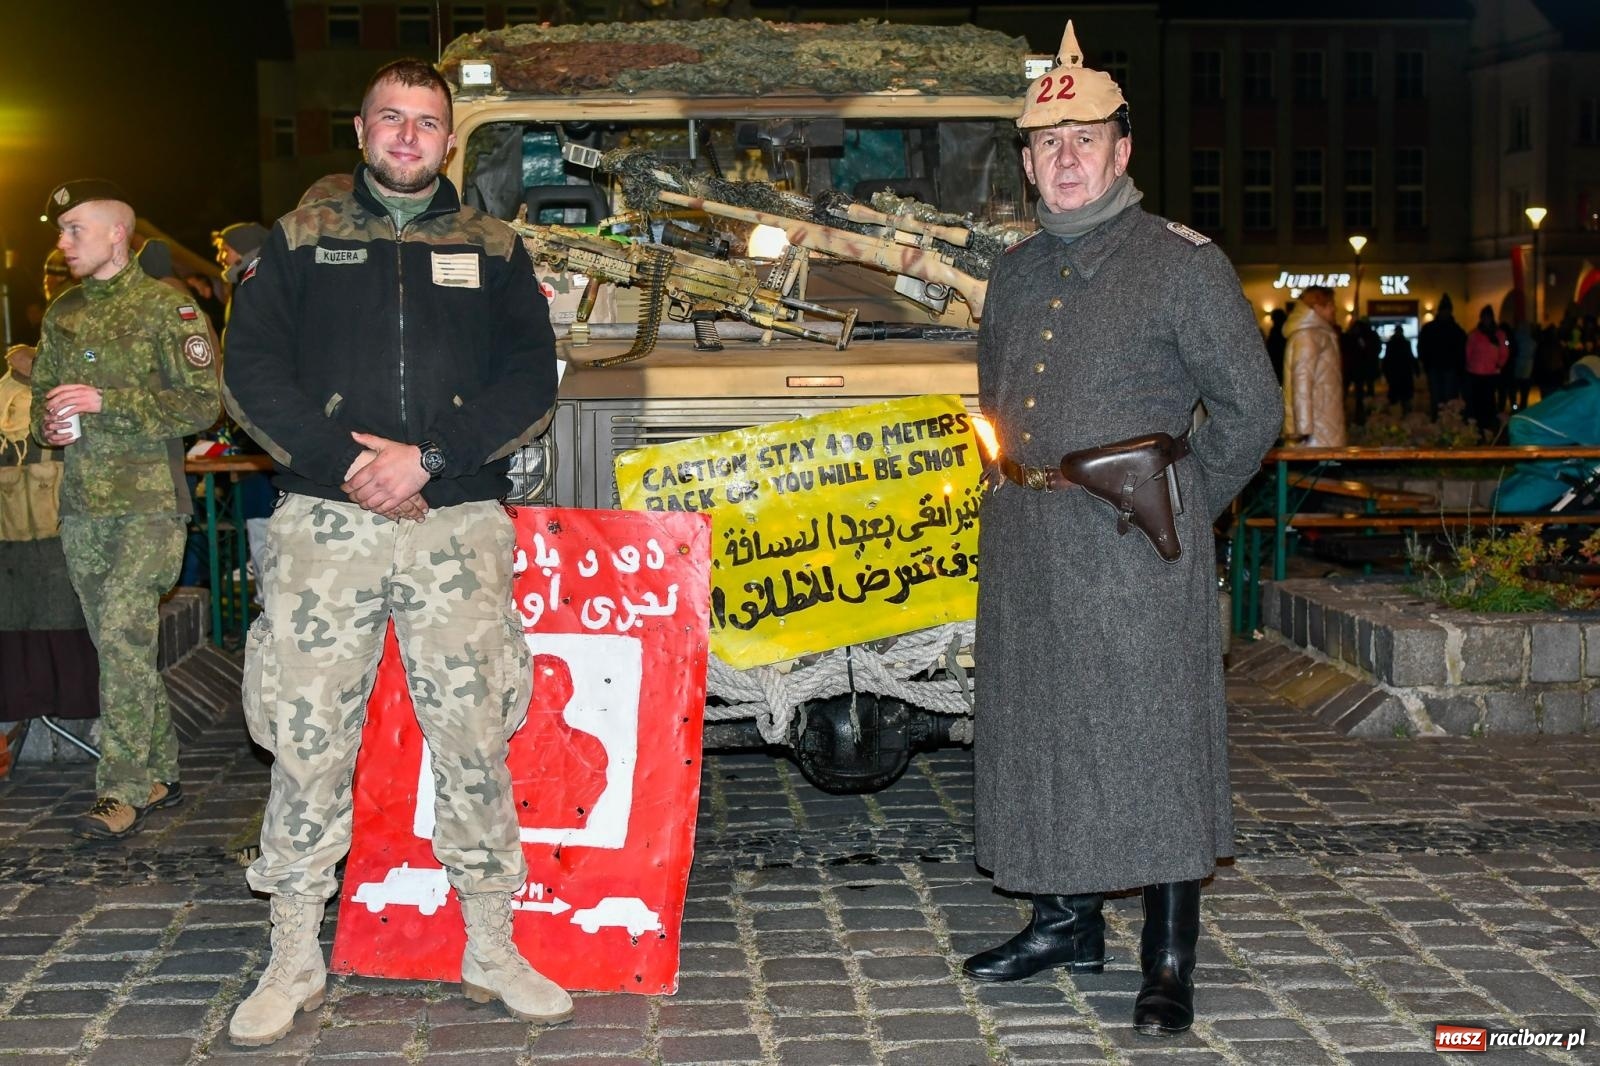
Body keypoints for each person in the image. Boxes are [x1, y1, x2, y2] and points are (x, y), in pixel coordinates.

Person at [221, 58, 566, 1047]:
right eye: (390, 118)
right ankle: (294, 953)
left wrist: (431, 458)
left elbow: (530, 378)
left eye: (425, 121)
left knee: (475, 732)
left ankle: (490, 943)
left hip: (456, 524)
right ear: (362, 130)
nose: (408, 135)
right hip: (325, 526)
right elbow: (249, 373)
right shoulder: (298, 240)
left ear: (448, 142)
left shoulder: (495, 249)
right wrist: (349, 465)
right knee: (306, 736)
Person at [964, 22, 1280, 1039]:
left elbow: (1252, 410)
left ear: (1122, 150)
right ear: (1027, 162)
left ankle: (1168, 956)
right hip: (1029, 542)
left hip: (1134, 548)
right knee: (1040, 730)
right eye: (1048, 143)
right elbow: (997, 398)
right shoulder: (1014, 271)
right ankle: (1065, 922)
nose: (1066, 158)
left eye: (1086, 139)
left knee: (1156, 741)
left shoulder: (1181, 265)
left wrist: (1177, 502)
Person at [28, 179, 221, 838]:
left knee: (120, 642)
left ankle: (120, 790)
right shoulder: (64, 311)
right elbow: (44, 399)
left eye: (75, 229)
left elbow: (203, 403)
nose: (64, 243)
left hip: (148, 506)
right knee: (120, 649)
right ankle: (161, 771)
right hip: (83, 506)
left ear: (117, 233)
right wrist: (49, 425)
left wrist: (107, 403)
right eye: (62, 231)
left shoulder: (168, 309)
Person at [1281, 287, 1346, 446]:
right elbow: (1301, 383)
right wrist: (1303, 431)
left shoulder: (1315, 334)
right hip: (1316, 434)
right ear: (1316, 307)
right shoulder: (1309, 336)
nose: (1334, 309)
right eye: (1330, 304)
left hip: (1321, 427)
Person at [1418, 294, 1466, 417]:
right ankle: (1438, 419)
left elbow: (1461, 350)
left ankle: (1445, 420)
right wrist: (1426, 363)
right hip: (1436, 367)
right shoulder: (1432, 329)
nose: (1445, 313)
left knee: (1447, 398)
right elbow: (1422, 347)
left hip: (1448, 368)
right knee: (1437, 398)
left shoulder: (1455, 330)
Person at [1465, 304, 1509, 438]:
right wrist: (1470, 365)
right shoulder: (1474, 334)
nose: (1486, 320)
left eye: (1488, 317)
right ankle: (1478, 427)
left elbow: (1504, 352)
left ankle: (1489, 426)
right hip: (1475, 372)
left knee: (1489, 401)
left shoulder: (1499, 335)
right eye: (1484, 317)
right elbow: (1468, 352)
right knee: (1477, 401)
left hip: (1491, 373)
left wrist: (1499, 365)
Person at [1382, 324, 1416, 413]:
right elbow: (1410, 356)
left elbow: (1387, 359)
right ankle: (1404, 412)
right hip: (1403, 372)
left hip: (1396, 372)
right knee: (1404, 396)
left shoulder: (1392, 344)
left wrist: (1385, 371)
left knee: (1396, 396)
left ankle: (1397, 413)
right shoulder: (1405, 343)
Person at [1263, 308, 1287, 382]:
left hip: (1277, 361)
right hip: (1284, 359)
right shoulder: (1287, 329)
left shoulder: (1275, 331)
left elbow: (1270, 348)